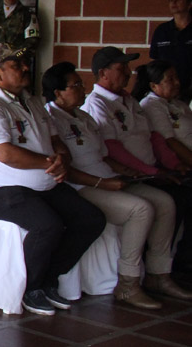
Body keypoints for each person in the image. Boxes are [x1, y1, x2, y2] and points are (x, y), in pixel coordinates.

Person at [0, 44, 106, 315]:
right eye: (16, 66)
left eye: (24, 63)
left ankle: (49, 278)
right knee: (48, 226)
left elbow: (54, 139)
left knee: (91, 219)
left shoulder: (33, 101)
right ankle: (29, 288)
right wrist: (48, 163)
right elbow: (5, 153)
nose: (26, 68)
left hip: (44, 184)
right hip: (2, 190)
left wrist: (61, 157)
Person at [42, 62, 187, 308]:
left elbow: (104, 154)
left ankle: (158, 274)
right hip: (83, 186)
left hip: (106, 178)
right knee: (140, 209)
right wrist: (103, 183)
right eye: (75, 85)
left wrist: (131, 173)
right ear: (58, 92)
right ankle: (128, 284)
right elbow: (65, 170)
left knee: (165, 202)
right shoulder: (50, 119)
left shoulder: (83, 116)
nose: (82, 88)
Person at [82, 47, 192, 276]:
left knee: (170, 202)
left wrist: (170, 166)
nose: (129, 73)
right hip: (129, 174)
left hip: (148, 171)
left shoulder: (129, 100)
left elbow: (154, 137)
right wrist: (150, 171)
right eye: (122, 68)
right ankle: (132, 279)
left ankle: (159, 273)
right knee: (170, 199)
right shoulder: (98, 104)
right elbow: (112, 148)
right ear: (103, 73)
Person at [137, 59, 192, 168]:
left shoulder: (178, 104)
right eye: (170, 79)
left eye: (176, 77)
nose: (177, 82)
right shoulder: (152, 105)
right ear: (153, 86)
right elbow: (168, 141)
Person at [149, 0, 192, 99]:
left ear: (189, 4)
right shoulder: (162, 30)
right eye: (171, 0)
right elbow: (155, 61)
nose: (174, 3)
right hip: (167, 90)